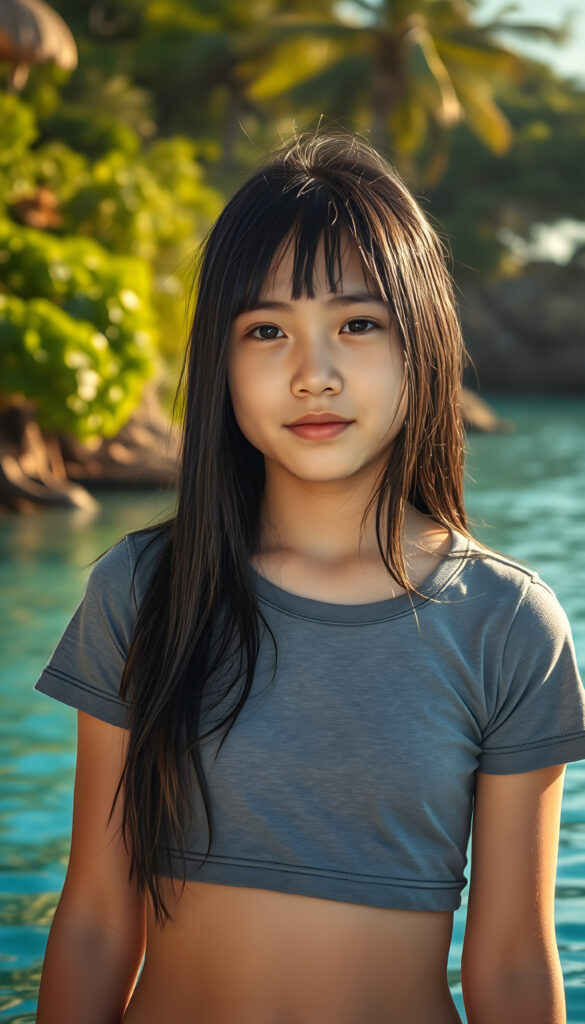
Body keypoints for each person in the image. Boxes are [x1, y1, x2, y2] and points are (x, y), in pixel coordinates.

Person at [33, 128, 585, 1024]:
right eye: (266, 330)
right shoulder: (144, 589)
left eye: (357, 324)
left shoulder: (506, 622)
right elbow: (96, 917)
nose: (312, 375)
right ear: (221, 359)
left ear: (422, 345)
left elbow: (516, 966)